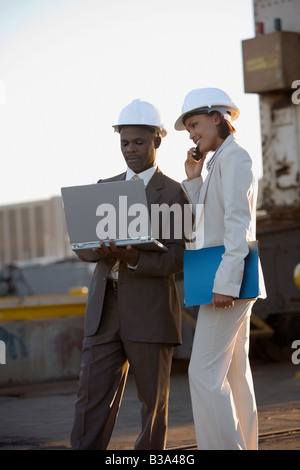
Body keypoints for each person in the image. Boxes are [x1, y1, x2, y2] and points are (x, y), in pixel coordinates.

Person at [71, 99, 189, 450]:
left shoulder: (173, 193)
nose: (130, 150)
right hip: (104, 311)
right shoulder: (103, 185)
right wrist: (99, 249)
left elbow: (179, 258)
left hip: (151, 312)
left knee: (153, 405)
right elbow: (82, 247)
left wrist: (135, 256)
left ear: (158, 141)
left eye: (139, 142)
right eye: (124, 142)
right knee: (90, 398)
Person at [174, 87, 266, 450]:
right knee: (234, 373)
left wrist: (226, 283)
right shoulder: (219, 161)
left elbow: (237, 225)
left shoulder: (235, 158)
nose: (192, 133)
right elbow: (209, 223)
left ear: (218, 117)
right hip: (233, 280)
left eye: (194, 124)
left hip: (229, 282)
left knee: (202, 374)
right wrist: (195, 180)